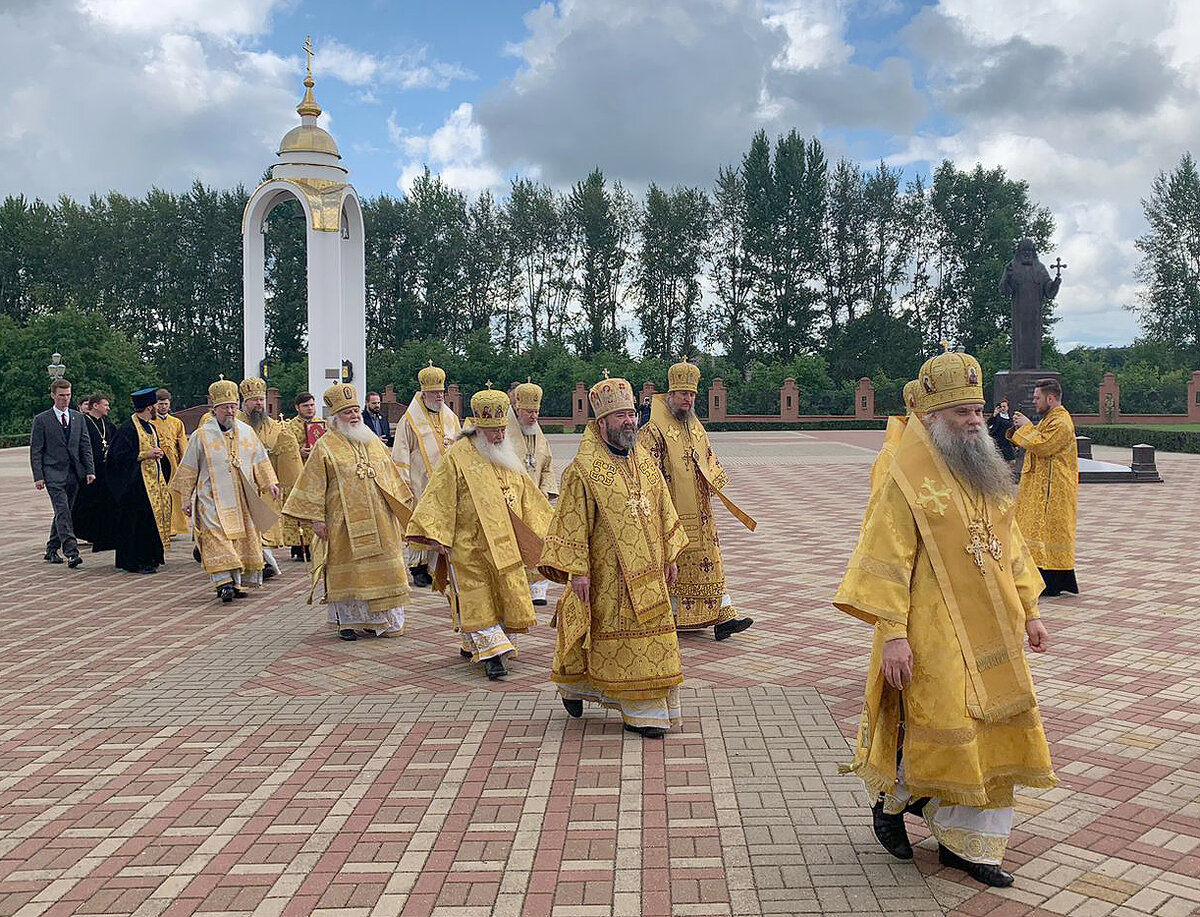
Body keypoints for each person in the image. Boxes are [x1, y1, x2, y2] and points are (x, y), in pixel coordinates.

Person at [834, 345, 1055, 888]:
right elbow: (885, 558)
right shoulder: (905, 476)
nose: (976, 421)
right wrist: (891, 635)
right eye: (964, 413)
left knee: (992, 734)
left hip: (995, 628)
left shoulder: (985, 469)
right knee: (941, 729)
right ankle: (893, 802)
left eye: (979, 411)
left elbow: (1011, 545)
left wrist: (1030, 610)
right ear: (932, 418)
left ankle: (970, 846)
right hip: (932, 633)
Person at [539, 376, 689, 738]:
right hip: (605, 575)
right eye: (620, 416)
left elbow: (663, 508)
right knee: (600, 631)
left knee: (653, 637)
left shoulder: (644, 462)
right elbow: (572, 521)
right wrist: (577, 572)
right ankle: (623, 703)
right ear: (601, 422)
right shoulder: (583, 470)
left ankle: (644, 706)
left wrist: (670, 555)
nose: (629, 422)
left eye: (631, 414)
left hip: (651, 573)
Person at [406, 388, 554, 680]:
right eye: (493, 432)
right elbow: (439, 495)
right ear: (477, 428)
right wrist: (436, 535)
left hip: (505, 543)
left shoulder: (506, 453)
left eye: (501, 430)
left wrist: (549, 529)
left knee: (503, 594)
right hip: (467, 544)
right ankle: (494, 655)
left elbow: (528, 495)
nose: (500, 436)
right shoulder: (458, 456)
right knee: (476, 595)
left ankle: (474, 639)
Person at [283, 384, 415, 641]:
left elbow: (391, 478)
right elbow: (311, 484)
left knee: (384, 566)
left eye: (355, 410)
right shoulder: (325, 446)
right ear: (335, 417)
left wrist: (402, 510)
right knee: (348, 571)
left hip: (380, 522)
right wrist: (316, 521)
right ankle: (347, 622)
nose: (354, 416)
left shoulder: (372, 441)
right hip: (342, 523)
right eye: (347, 413)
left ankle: (382, 620)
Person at [638, 359, 755, 640]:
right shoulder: (653, 426)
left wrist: (713, 481)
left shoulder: (694, 424)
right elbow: (645, 467)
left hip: (700, 512)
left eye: (692, 395)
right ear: (671, 394)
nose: (688, 400)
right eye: (683, 395)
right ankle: (673, 616)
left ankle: (724, 616)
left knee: (709, 562)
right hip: (670, 511)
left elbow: (708, 455)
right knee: (674, 565)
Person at [170, 378, 280, 602]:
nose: (230, 411)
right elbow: (189, 468)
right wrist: (185, 499)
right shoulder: (202, 435)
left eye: (233, 406)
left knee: (241, 540)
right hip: (211, 498)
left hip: (242, 497)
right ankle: (223, 583)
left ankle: (236, 583)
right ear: (215, 409)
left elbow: (260, 460)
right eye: (225, 408)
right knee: (217, 539)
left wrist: (270, 482)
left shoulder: (247, 432)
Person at [392, 362, 461, 587]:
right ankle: (419, 568)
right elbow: (400, 452)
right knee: (421, 522)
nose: (439, 396)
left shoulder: (450, 418)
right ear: (424, 393)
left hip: (446, 482)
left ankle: (440, 566)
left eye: (441, 392)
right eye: (434, 393)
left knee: (443, 521)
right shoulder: (409, 420)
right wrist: (404, 483)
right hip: (420, 482)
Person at [1009, 378, 1079, 596]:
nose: (1034, 401)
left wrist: (1027, 426)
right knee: (1034, 530)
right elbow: (1035, 438)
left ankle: (1053, 582)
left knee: (1048, 533)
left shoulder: (1061, 422)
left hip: (1054, 490)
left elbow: (1043, 445)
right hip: (1039, 488)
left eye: (1037, 398)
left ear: (1050, 399)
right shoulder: (1049, 419)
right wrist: (1022, 428)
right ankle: (1036, 578)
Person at [241, 377, 303, 580]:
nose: (259, 403)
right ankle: (258, 562)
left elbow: (286, 455)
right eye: (254, 400)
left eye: (261, 399)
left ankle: (264, 562)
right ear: (245, 402)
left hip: (266, 485)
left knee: (264, 525)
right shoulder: (237, 425)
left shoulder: (276, 427)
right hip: (242, 483)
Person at [107, 388, 173, 574]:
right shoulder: (128, 428)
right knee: (138, 523)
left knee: (150, 522)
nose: (156, 410)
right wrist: (145, 454)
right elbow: (117, 457)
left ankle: (152, 557)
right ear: (148, 408)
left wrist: (159, 453)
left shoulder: (150, 427)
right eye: (153, 407)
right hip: (135, 485)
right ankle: (135, 561)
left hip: (153, 483)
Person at [30, 378, 95, 568]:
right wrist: (38, 476)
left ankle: (51, 548)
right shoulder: (42, 420)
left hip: (74, 473)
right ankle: (71, 552)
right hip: (52, 474)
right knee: (63, 511)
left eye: (68, 395)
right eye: (61, 396)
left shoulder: (78, 417)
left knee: (64, 512)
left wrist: (89, 470)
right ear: (53, 395)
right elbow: (36, 450)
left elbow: (85, 445)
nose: (65, 399)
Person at [506, 379, 558, 606]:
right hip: (513, 499)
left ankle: (539, 589)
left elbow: (547, 465)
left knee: (540, 540)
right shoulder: (505, 433)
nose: (533, 416)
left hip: (536, 497)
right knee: (516, 544)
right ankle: (517, 588)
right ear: (518, 409)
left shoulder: (539, 434)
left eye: (536, 411)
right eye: (529, 412)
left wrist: (546, 490)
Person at [72, 393, 118, 552]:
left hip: (106, 471)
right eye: (105, 405)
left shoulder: (107, 423)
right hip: (89, 471)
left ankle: (104, 535)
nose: (108, 408)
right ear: (96, 405)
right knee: (87, 503)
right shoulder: (82, 422)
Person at [284, 392, 326, 560]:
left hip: (317, 474)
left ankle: (315, 545)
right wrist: (299, 451)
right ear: (297, 408)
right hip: (299, 473)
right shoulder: (290, 427)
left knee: (315, 509)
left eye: (312, 405)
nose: (310, 409)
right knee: (300, 510)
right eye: (305, 406)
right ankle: (298, 546)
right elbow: (286, 449)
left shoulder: (321, 425)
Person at [152, 389, 192, 536]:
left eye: (165, 404)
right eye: (160, 404)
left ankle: (174, 527)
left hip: (174, 464)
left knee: (173, 495)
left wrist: (185, 463)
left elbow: (182, 445)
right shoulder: (149, 422)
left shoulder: (177, 423)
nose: (163, 407)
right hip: (156, 463)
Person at [986, 398, 1018, 468]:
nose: (1002, 408)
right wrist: (994, 415)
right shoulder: (997, 417)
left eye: (1004, 406)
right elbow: (988, 424)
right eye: (1001, 406)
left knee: (1012, 461)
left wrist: (1015, 445)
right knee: (999, 462)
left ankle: (1006, 475)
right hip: (997, 442)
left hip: (1006, 443)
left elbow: (1011, 432)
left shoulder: (1010, 419)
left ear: (1008, 407)